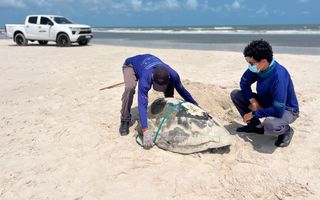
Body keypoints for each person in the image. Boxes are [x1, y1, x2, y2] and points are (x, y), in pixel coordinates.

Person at [119, 54, 198, 149]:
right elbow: (142, 104)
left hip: (147, 62)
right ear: (152, 78)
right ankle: (125, 119)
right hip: (130, 65)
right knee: (130, 88)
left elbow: (182, 90)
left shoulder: (173, 75)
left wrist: (194, 104)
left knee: (171, 86)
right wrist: (145, 130)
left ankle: (168, 108)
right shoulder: (145, 79)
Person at [230, 39, 299, 147]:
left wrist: (253, 113)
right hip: (267, 101)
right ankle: (255, 126)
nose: (249, 66)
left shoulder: (279, 76)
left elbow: (278, 110)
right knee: (236, 94)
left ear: (264, 61)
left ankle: (286, 130)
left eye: (251, 63)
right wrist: (253, 102)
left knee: (270, 124)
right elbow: (244, 83)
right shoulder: (258, 68)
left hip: (286, 109)